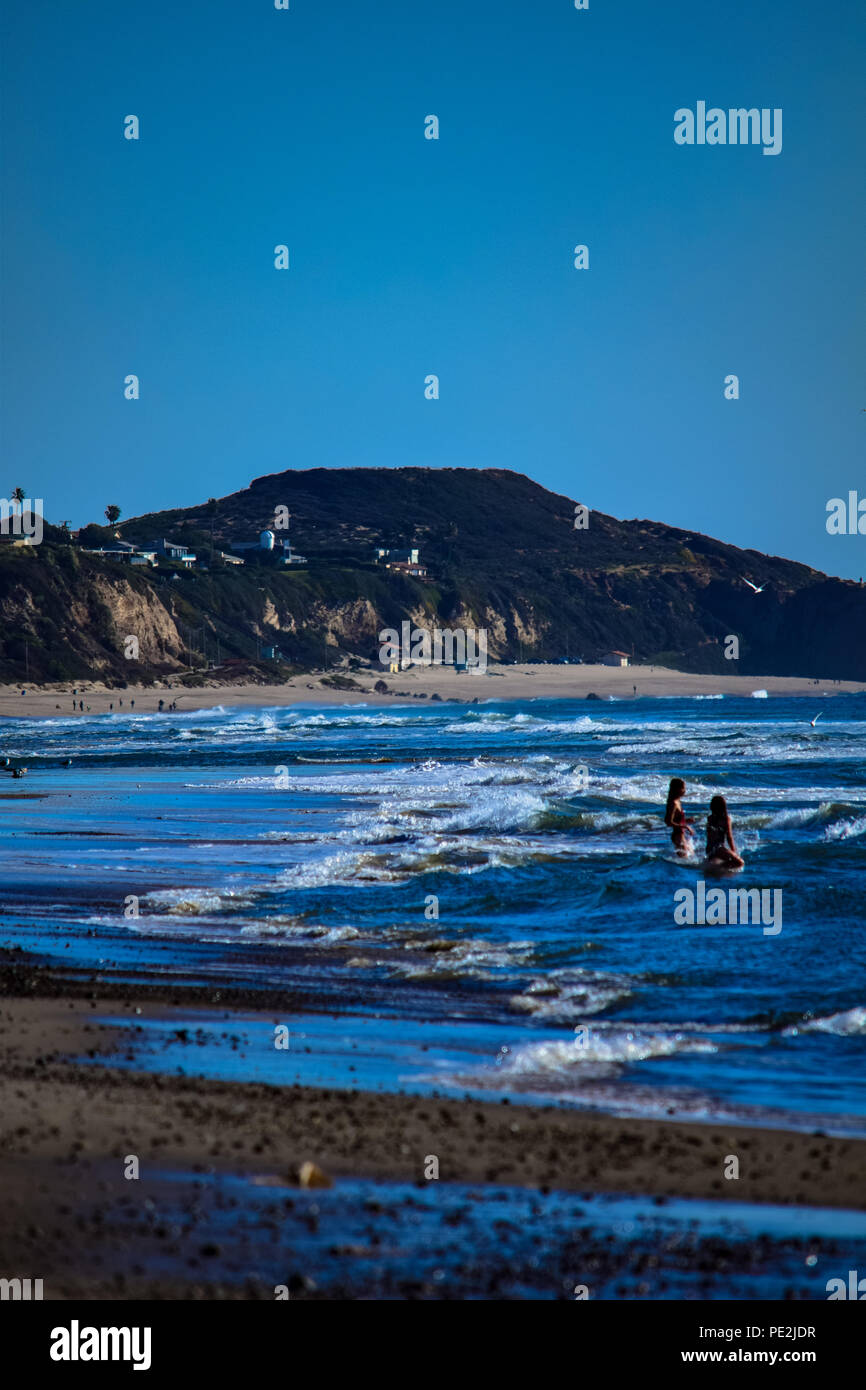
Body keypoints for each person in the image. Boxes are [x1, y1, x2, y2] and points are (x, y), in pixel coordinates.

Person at [705, 795, 744, 868]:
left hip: (709, 848)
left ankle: (716, 867)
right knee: (740, 863)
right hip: (718, 848)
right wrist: (733, 851)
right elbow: (729, 837)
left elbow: (709, 836)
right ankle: (717, 867)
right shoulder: (726, 819)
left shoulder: (710, 818)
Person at [664, 777, 693, 856]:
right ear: (677, 789)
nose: (685, 790)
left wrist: (686, 820)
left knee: (691, 856)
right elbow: (668, 822)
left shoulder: (678, 801)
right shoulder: (673, 803)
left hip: (682, 835)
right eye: (683, 788)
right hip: (677, 836)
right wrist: (685, 826)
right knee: (685, 859)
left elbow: (677, 820)